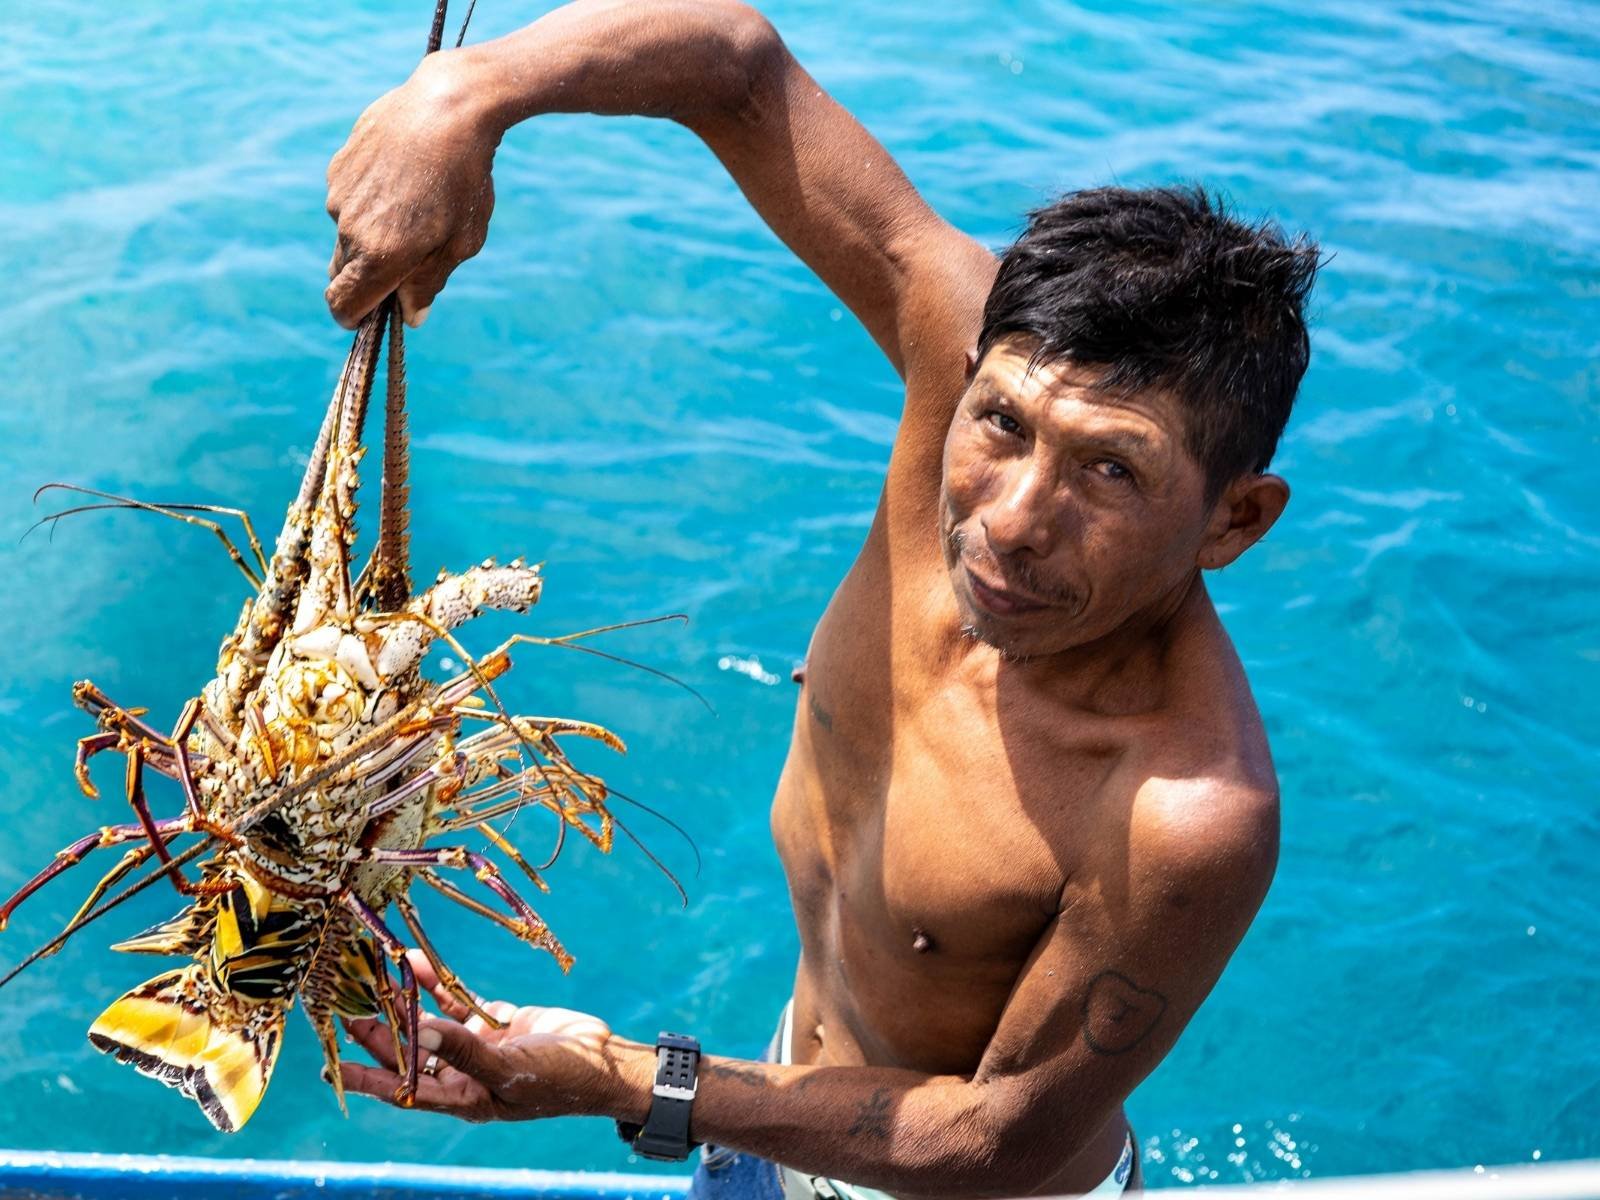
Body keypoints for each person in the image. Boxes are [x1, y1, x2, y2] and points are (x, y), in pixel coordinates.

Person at [323, 2, 1319, 1196]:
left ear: (1234, 519)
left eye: (1112, 470)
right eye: (1001, 423)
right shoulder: (952, 350)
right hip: (779, 1111)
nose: (1009, 517)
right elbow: (734, 66)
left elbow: (994, 1135)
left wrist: (624, 1082)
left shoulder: (1181, 812)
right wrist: (464, 97)